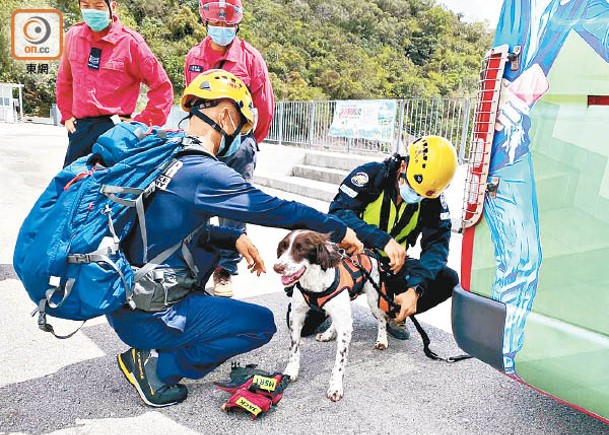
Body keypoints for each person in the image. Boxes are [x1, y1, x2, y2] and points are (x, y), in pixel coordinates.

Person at [109, 69, 363, 408]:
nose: (240, 139)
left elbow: (171, 230)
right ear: (227, 117)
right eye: (242, 129)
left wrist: (232, 239)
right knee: (258, 324)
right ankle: (158, 369)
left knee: (220, 307)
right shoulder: (206, 172)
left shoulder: (166, 155)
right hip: (152, 313)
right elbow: (277, 209)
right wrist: (339, 229)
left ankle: (160, 342)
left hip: (123, 299)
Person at [484, 0, 609, 375]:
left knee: (525, 262)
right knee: (522, 260)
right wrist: (497, 95)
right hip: (504, 149)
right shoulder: (517, 6)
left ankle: (504, 357)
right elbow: (496, 64)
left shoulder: (576, 7)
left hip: (518, 141)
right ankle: (501, 357)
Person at [323, 136, 459, 340]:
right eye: (412, 188)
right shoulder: (372, 176)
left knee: (447, 279)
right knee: (306, 324)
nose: (415, 196)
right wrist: (382, 240)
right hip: (352, 259)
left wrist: (416, 288)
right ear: (403, 166)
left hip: (391, 267)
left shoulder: (431, 198)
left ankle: (392, 313)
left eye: (421, 195)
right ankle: (324, 306)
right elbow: (337, 214)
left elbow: (437, 246)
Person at [184, 0, 275, 297]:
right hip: (204, 141)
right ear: (206, 22)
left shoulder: (250, 58)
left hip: (238, 142)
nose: (221, 30)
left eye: (227, 25)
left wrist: (248, 142)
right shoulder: (195, 57)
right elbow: (192, 100)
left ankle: (225, 269)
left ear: (237, 24)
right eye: (216, 24)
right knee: (195, 200)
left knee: (232, 203)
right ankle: (192, 265)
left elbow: (264, 106)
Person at [56, 0, 173, 167]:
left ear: (113, 7)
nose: (92, 11)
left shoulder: (131, 42)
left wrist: (143, 125)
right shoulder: (73, 36)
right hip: (80, 130)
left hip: (115, 130)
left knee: (112, 188)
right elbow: (64, 80)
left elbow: (162, 87)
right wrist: (67, 115)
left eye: (98, 6)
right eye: (86, 6)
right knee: (71, 186)